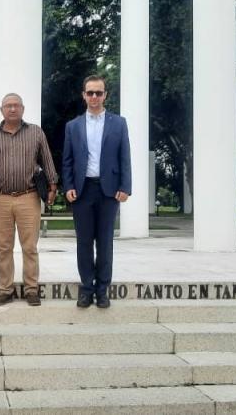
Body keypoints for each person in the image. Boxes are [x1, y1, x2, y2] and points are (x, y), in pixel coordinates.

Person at [62, 75, 132, 309]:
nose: (94, 97)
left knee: (105, 243)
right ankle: (86, 288)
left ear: (105, 95)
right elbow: (67, 161)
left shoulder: (118, 123)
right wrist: (69, 186)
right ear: (83, 95)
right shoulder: (73, 126)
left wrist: (125, 187)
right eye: (90, 92)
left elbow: (125, 157)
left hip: (109, 191)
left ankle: (102, 290)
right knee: (84, 242)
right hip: (82, 190)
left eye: (98, 93)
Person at [0, 93, 58, 307]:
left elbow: (47, 159)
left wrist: (53, 186)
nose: (12, 109)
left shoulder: (35, 132)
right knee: (3, 248)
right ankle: (5, 289)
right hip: (1, 199)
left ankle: (31, 289)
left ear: (23, 109)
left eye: (16, 105)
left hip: (29, 196)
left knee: (30, 247)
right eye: (8, 106)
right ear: (1, 110)